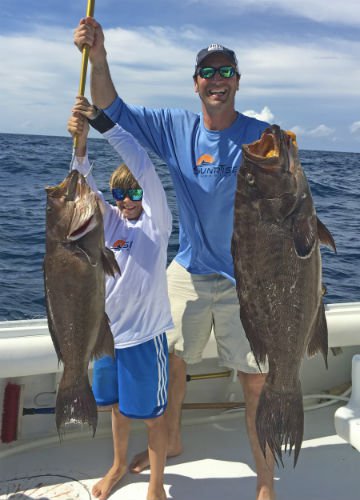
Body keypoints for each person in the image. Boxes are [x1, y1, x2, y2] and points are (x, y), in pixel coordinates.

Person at [74, 18, 276, 500]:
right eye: (208, 72)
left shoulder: (262, 136)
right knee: (172, 362)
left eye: (226, 71)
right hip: (187, 267)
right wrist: (99, 58)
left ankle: (265, 480)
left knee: (256, 382)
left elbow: (291, 208)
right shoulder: (174, 128)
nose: (217, 79)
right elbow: (110, 108)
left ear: (238, 82)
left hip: (247, 280)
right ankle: (174, 440)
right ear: (196, 83)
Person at [67, 95, 173, 500]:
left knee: (152, 417)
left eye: (132, 194)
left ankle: (156, 484)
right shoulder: (108, 222)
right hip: (107, 336)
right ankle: (116, 465)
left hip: (145, 341)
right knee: (115, 407)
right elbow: (83, 186)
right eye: (119, 194)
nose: (125, 201)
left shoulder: (156, 224)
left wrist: (100, 122)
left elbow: (143, 166)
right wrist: (80, 145)